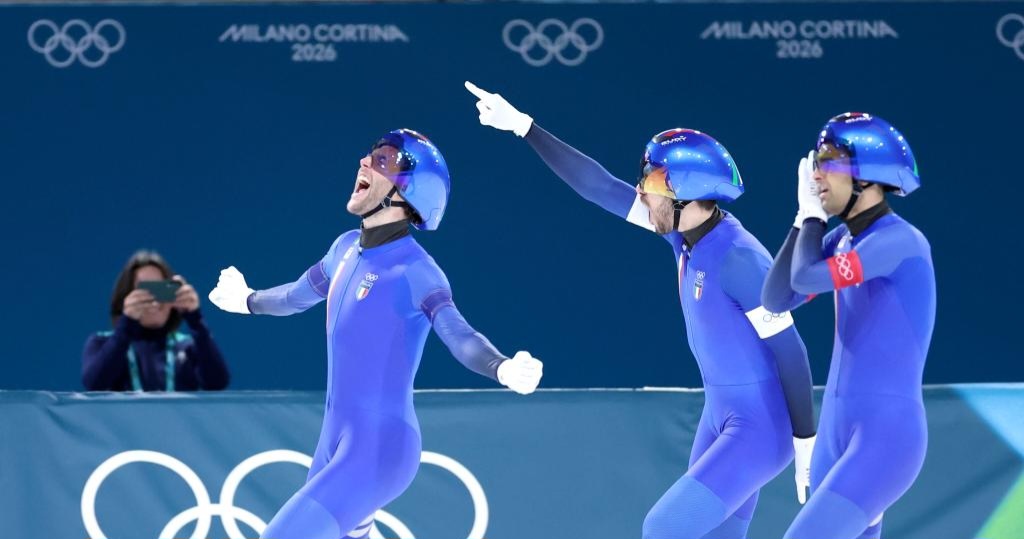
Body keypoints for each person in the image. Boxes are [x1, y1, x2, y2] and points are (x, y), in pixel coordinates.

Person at [466, 82, 814, 539]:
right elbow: (598, 188)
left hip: (759, 430)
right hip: (721, 417)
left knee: (664, 529)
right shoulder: (683, 235)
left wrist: (806, 441)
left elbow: (791, 351)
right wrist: (525, 128)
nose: (640, 192)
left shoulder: (739, 259)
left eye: (650, 183)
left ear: (686, 194)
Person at [208, 128, 543, 539]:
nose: (365, 162)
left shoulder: (415, 270)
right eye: (370, 155)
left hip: (379, 450)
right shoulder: (344, 248)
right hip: (334, 447)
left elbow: (458, 332)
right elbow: (296, 296)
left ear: (409, 193)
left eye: (383, 160)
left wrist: (501, 367)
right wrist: (248, 299)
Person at [762, 112, 935, 539]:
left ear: (868, 178)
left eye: (829, 162)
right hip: (837, 434)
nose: (817, 175)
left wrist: (813, 220)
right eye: (816, 163)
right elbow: (777, 298)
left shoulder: (900, 242)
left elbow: (807, 278)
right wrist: (801, 220)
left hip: (886, 440)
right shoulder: (842, 241)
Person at [82, 250, 229, 391]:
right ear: (126, 297)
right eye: (145, 291)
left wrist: (195, 321)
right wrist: (126, 324)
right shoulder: (101, 343)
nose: (154, 302)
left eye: (161, 290)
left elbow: (217, 383)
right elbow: (94, 384)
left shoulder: (188, 346)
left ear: (174, 297)